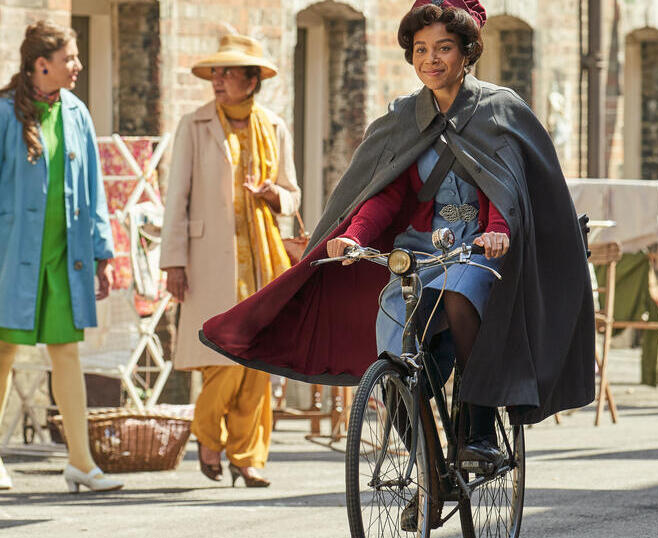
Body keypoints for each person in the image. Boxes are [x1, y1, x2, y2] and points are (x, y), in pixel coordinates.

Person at [199, 0, 594, 460]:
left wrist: (498, 230)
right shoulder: (403, 117)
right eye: (421, 48)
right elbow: (384, 192)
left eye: (444, 48)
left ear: (467, 52)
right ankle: (426, 474)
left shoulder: (499, 110)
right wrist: (356, 236)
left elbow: (505, 187)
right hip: (419, 252)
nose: (431, 59)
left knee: (462, 295)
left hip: (479, 250)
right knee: (395, 354)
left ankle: (478, 429)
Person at [161, 34, 301, 486]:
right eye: (215, 73)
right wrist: (173, 262)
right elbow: (176, 197)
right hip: (207, 261)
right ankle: (208, 437)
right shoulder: (194, 124)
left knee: (257, 359)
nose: (218, 81)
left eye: (228, 73)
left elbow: (292, 193)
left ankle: (248, 455)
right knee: (220, 358)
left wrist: (272, 194)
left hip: (264, 262)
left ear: (251, 79)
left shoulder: (274, 126)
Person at [0, 21, 123, 492]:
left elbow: (94, 191)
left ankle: (80, 462)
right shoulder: (5, 113)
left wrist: (102, 252)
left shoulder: (76, 112)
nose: (78, 65)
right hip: (12, 258)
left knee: (67, 354)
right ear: (41, 63)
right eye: (70, 58)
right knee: (4, 351)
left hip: (63, 258)